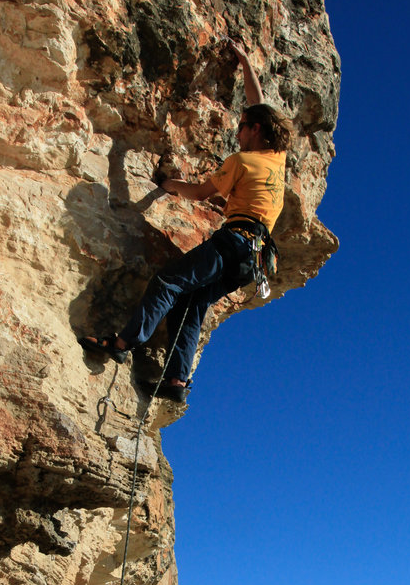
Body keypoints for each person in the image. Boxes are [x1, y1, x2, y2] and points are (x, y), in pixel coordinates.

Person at [79, 40, 289, 402]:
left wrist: (167, 184)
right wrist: (245, 63)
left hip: (234, 241)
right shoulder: (277, 159)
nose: (237, 132)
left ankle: (123, 341)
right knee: (191, 305)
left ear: (255, 130)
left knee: (168, 281)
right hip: (252, 260)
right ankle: (176, 382)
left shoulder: (242, 161)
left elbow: (200, 194)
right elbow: (259, 104)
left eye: (241, 127)